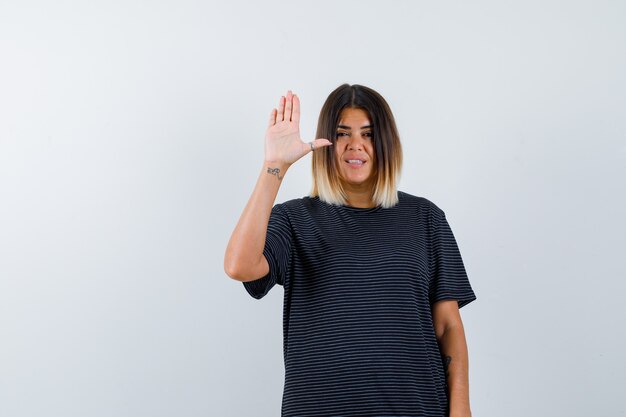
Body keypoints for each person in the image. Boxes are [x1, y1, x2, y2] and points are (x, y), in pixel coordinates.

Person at [224, 84, 477, 417]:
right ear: (327, 143)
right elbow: (239, 266)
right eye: (343, 133)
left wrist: (461, 409)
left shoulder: (425, 218)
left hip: (416, 407)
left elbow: (447, 326)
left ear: (386, 143)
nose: (355, 145)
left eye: (369, 134)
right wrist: (275, 167)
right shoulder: (294, 219)